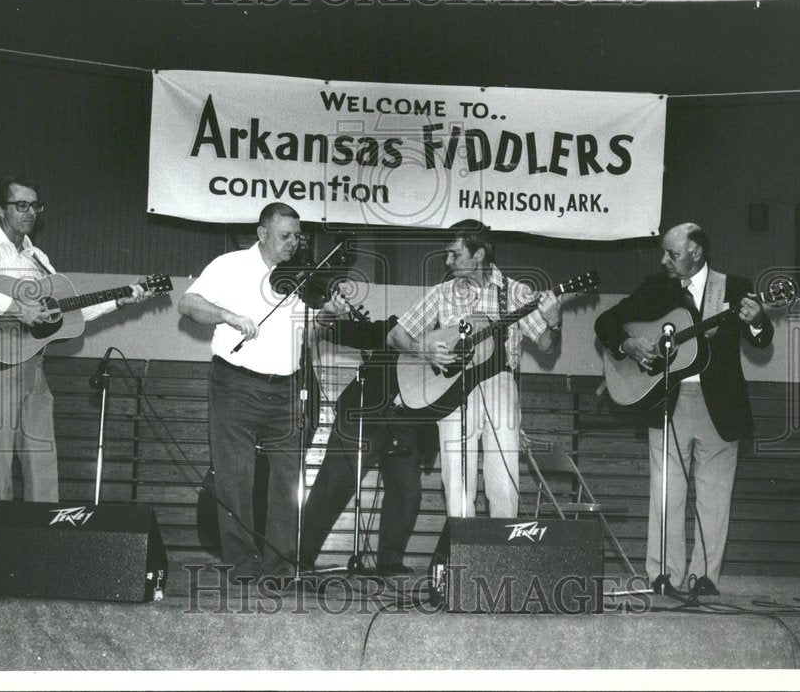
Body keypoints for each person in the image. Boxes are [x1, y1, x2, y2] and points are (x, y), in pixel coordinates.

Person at [0, 176, 151, 574]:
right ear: (0, 209)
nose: (30, 213)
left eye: (35, 206)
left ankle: (45, 560)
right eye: (21, 205)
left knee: (43, 464)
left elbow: (65, 316)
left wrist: (117, 300)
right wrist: (13, 308)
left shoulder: (37, 257)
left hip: (32, 368)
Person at [594, 222, 774, 596]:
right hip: (667, 401)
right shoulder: (656, 288)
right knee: (666, 493)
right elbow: (605, 322)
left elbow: (761, 340)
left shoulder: (735, 288)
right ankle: (664, 575)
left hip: (720, 407)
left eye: (671, 254)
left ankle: (705, 577)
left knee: (714, 497)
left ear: (696, 252)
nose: (664, 260)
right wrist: (628, 345)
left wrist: (757, 320)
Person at [177, 202, 345, 582]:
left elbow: (308, 334)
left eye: (298, 237)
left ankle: (281, 567)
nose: (294, 244)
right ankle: (243, 565)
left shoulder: (299, 278)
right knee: (235, 477)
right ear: (262, 233)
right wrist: (229, 315)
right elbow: (188, 304)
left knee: (288, 481)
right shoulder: (229, 265)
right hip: (236, 384)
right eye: (286, 236)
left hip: (287, 386)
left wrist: (327, 316)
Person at [388, 222, 563, 519]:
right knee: (456, 482)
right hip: (452, 390)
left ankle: (501, 557)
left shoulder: (517, 293)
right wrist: (424, 349)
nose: (448, 261)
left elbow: (546, 345)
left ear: (479, 253)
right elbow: (396, 335)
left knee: (504, 480)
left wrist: (555, 321)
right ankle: (461, 556)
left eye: (455, 255)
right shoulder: (441, 293)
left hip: (500, 385)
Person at [300, 305, 438, 576]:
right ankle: (300, 556)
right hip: (363, 412)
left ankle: (390, 560)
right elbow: (368, 332)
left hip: (405, 424)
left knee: (407, 491)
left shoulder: (458, 347)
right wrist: (330, 326)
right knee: (332, 485)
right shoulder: (407, 323)